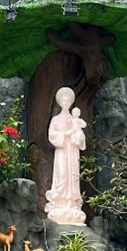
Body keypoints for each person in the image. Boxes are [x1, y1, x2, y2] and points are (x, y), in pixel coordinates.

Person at [45, 86, 88, 223]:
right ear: (59, 102)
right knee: (62, 174)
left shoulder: (75, 119)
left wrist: (79, 137)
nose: (66, 102)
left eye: (68, 100)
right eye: (63, 100)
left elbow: (81, 136)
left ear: (71, 102)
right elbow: (52, 135)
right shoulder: (56, 119)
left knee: (73, 175)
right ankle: (59, 202)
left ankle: (72, 203)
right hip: (62, 151)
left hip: (73, 151)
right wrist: (66, 134)